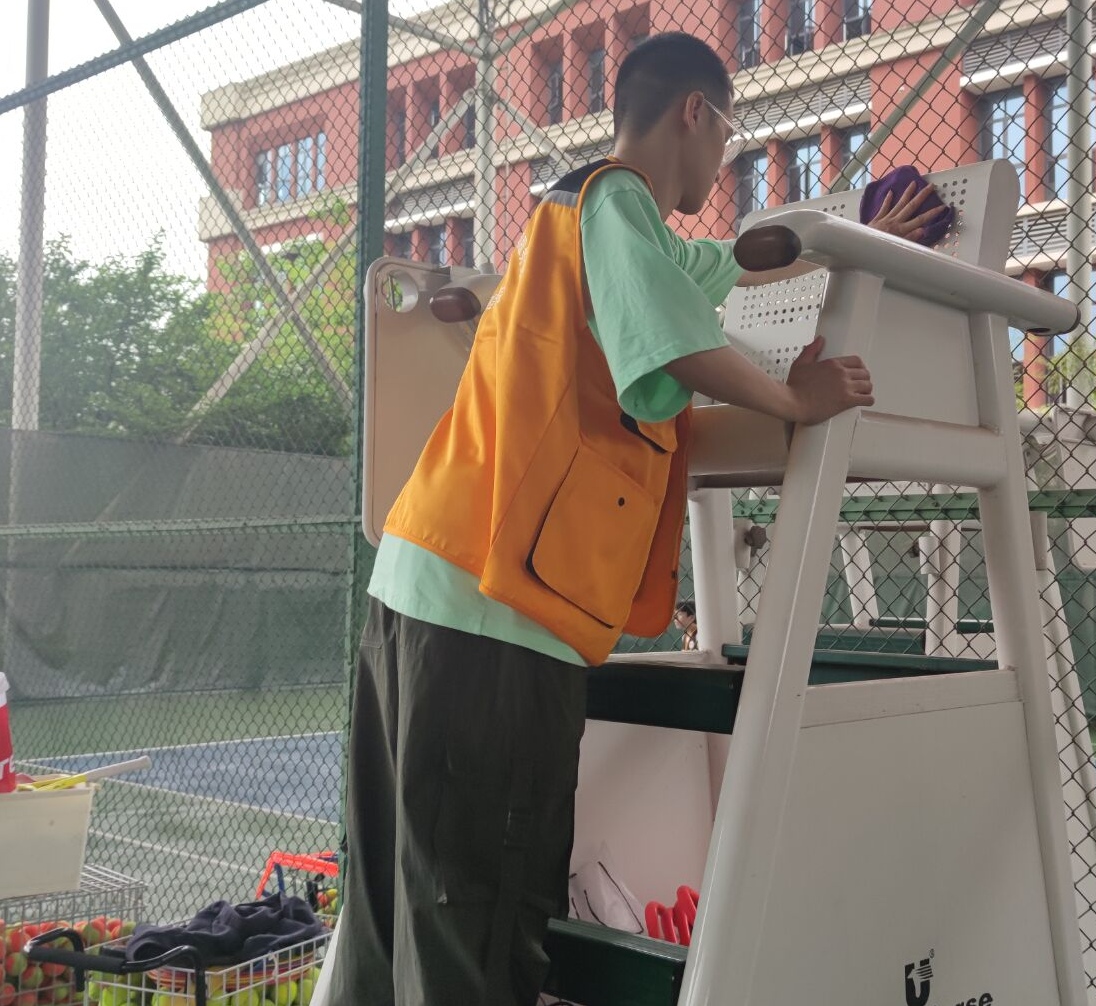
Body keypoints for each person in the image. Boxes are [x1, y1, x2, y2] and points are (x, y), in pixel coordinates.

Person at [326, 32, 944, 1006]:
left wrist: (858, 236)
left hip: (423, 582)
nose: (724, 162)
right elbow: (671, 341)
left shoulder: (581, 218)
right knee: (477, 922)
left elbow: (727, 267)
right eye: (728, 135)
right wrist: (797, 397)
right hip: (491, 614)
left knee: (394, 911)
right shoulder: (614, 201)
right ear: (694, 112)